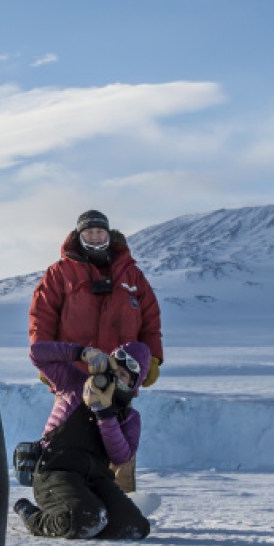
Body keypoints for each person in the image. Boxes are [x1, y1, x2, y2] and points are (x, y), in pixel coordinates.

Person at [29, 209, 164, 491]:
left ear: (108, 234)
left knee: (118, 440)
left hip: (122, 376)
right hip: (75, 371)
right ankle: (63, 492)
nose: (95, 237)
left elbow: (150, 319)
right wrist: (51, 357)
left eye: (99, 232)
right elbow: (41, 318)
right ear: (79, 236)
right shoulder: (60, 273)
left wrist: (152, 359)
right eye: (88, 232)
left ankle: (122, 498)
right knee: (72, 432)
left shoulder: (131, 275)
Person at [14, 340, 151, 541]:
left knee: (134, 527)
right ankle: (31, 514)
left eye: (124, 375)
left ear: (134, 385)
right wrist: (82, 353)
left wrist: (104, 413)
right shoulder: (73, 382)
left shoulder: (129, 417)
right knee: (85, 519)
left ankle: (87, 514)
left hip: (96, 479)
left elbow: (120, 456)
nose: (115, 377)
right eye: (115, 369)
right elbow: (37, 354)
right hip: (55, 471)